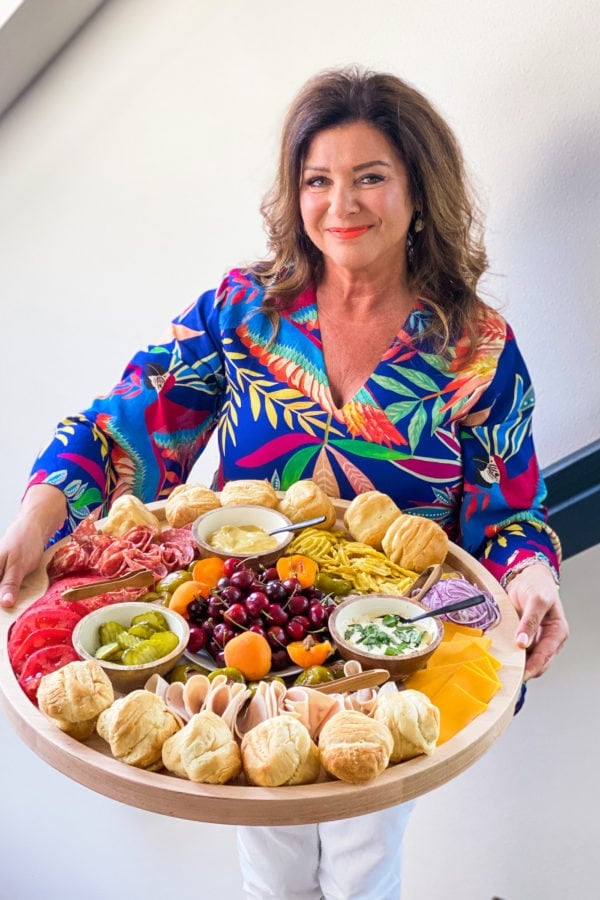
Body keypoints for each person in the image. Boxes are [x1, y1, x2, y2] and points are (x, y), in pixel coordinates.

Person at [0, 66, 568, 898]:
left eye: (370, 177)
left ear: (418, 192)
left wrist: (534, 574)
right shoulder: (244, 311)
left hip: (392, 652)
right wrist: (33, 516)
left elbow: (511, 512)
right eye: (318, 180)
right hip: (243, 636)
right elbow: (124, 424)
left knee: (363, 859)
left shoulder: (475, 347)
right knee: (270, 861)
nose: (342, 204)